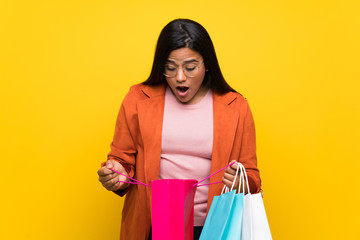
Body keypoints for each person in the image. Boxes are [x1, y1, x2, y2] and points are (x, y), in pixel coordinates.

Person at [97, 18, 261, 240]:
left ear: (207, 64)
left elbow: (252, 177)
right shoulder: (137, 99)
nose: (180, 77)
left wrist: (239, 181)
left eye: (190, 67)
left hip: (216, 229)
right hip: (155, 227)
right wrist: (116, 173)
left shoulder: (235, 106)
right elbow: (121, 162)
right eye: (170, 68)